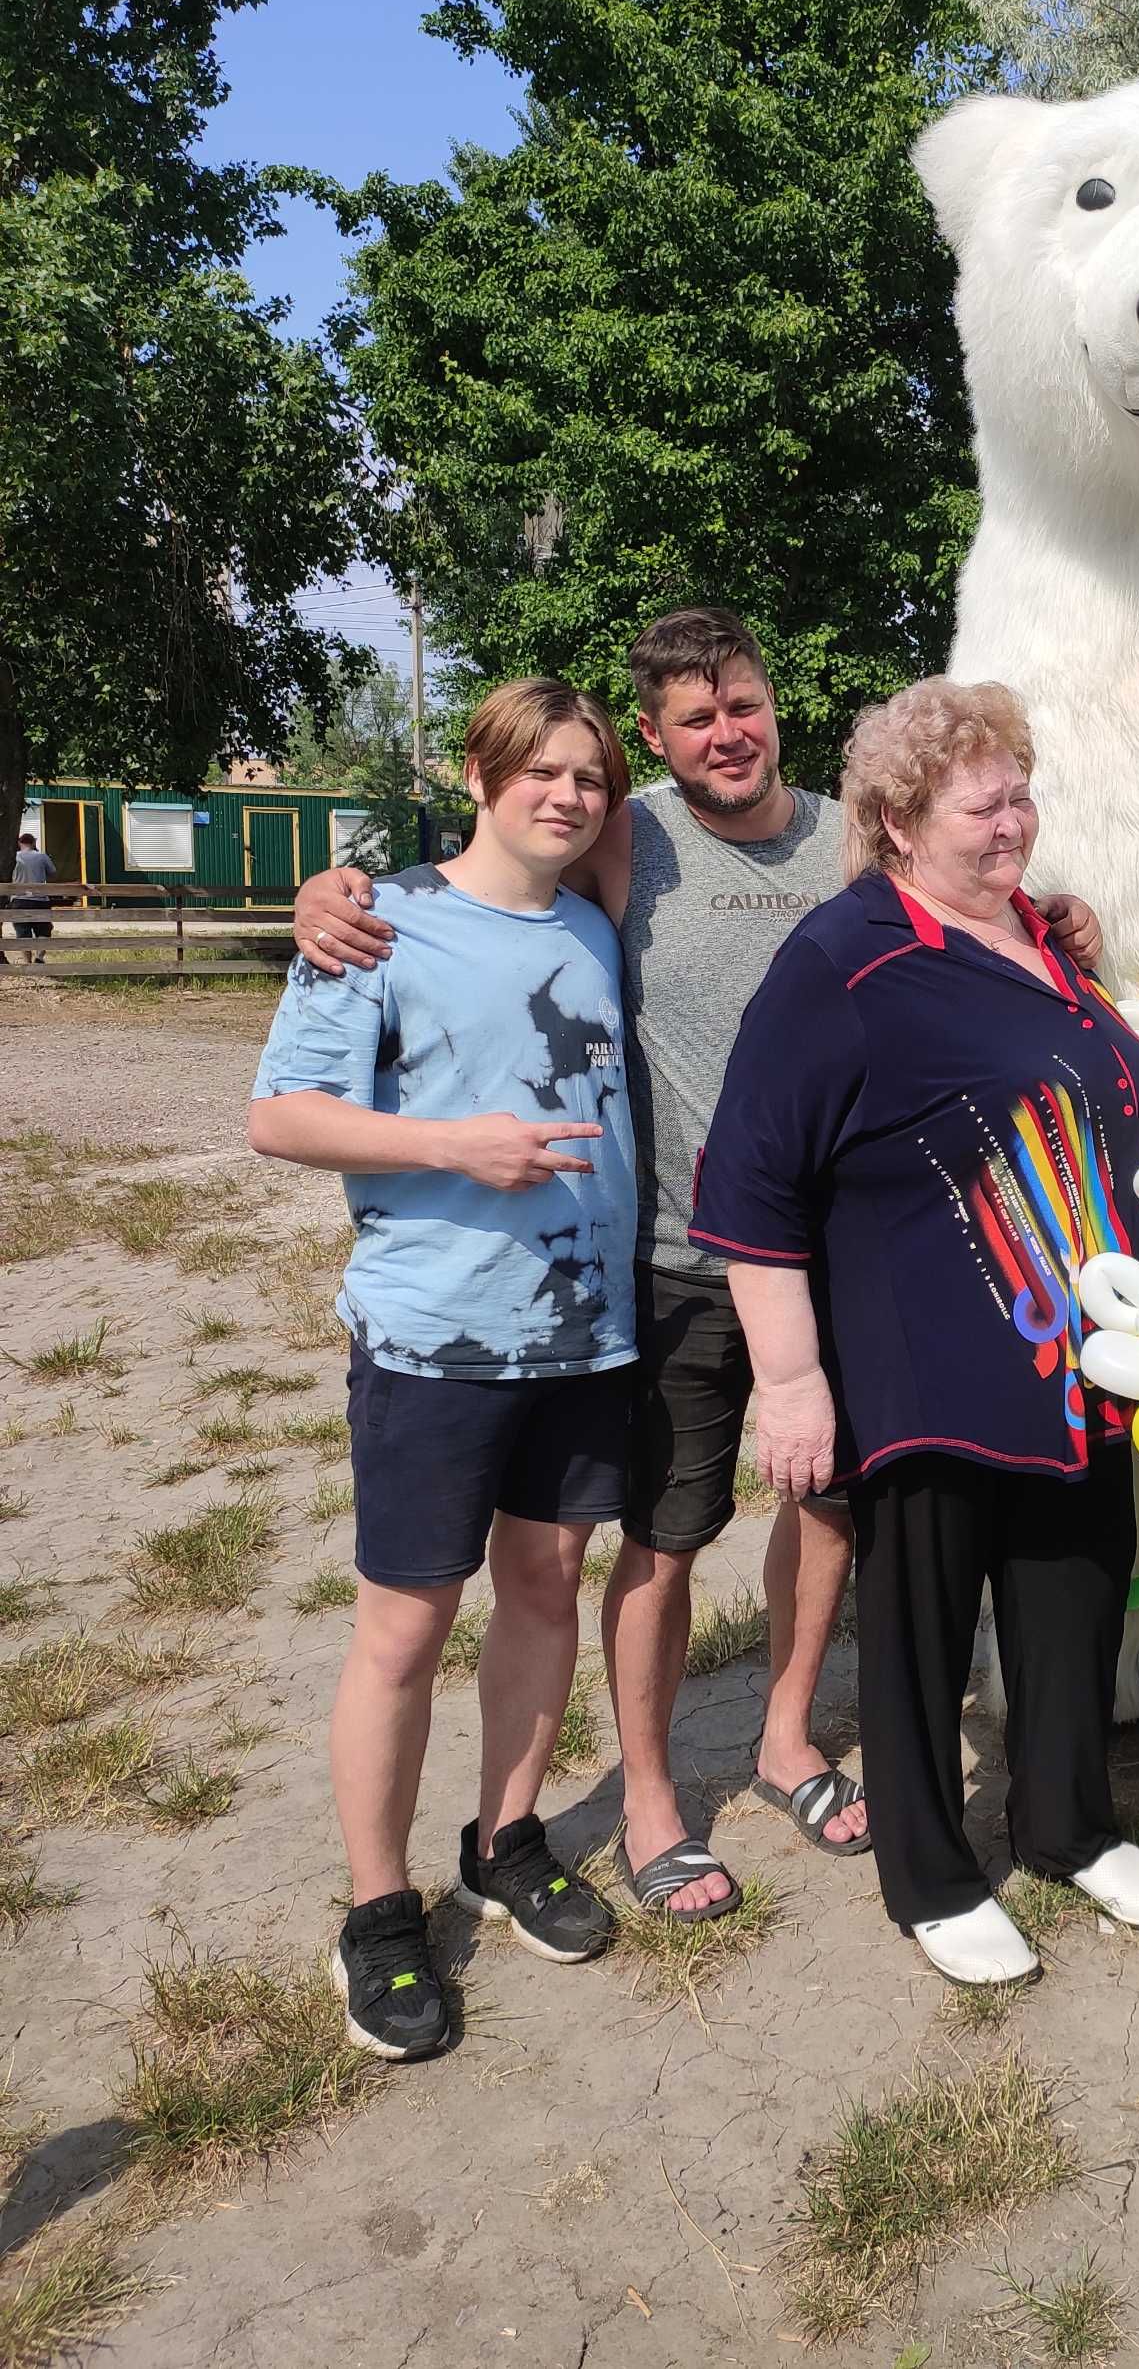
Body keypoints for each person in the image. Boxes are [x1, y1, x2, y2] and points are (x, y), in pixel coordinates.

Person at [291, 606, 1103, 1922]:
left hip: (845, 1255)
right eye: (692, 717)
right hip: (675, 1259)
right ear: (657, 739)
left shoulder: (857, 828)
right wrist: (337, 889)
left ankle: (787, 1735)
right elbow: (491, 847)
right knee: (664, 1539)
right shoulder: (628, 832)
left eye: (744, 703)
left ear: (774, 703)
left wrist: (1054, 910)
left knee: (831, 1506)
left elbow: (973, 893)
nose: (727, 732)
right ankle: (654, 1793)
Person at [690, 677, 1139, 1988]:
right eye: (985, 802)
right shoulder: (843, 958)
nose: (1015, 820)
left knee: (1075, 1591)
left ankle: (1069, 1820)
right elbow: (749, 1181)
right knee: (918, 1628)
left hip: (1081, 1358)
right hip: (931, 1366)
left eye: (1021, 790)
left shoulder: (1036, 931)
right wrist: (790, 1379)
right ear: (900, 820)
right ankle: (933, 1875)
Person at [250, 679, 635, 2057]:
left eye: (589, 775)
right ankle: (376, 1908)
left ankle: (507, 1835)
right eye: (540, 769)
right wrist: (453, 1145)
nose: (567, 794)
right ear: (481, 773)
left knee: (545, 1583)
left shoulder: (595, 925)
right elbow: (279, 1116)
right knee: (403, 1628)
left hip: (586, 1333)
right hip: (434, 1340)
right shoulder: (379, 924)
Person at [8, 834, 57, 963]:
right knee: (44, 930)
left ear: (19, 842)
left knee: (22, 932)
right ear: (33, 842)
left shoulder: (15, 857)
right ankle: (39, 957)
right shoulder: (41, 856)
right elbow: (52, 872)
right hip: (40, 899)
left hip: (19, 900)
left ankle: (27, 963)